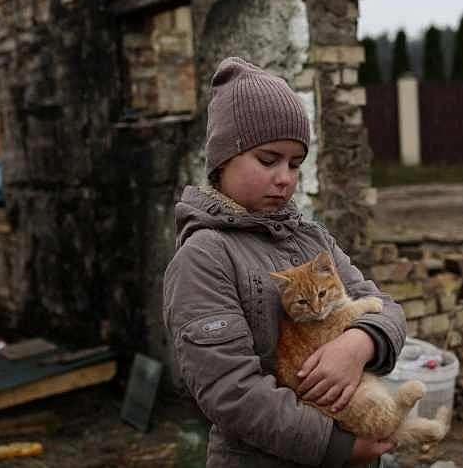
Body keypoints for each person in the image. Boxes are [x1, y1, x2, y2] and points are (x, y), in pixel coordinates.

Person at [163, 57, 408, 467]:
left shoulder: (311, 238)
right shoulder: (204, 257)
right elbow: (231, 391)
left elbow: (385, 307)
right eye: (268, 160)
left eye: (296, 164)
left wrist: (359, 342)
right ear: (224, 159)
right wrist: (337, 447)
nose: (285, 178)